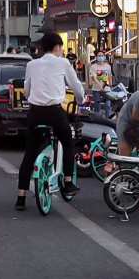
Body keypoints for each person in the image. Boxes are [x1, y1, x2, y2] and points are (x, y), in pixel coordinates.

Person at [16, 33, 84, 211]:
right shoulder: (63, 63)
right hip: (55, 112)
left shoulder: (32, 64)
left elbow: (27, 89)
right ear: (57, 47)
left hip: (35, 113)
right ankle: (68, 182)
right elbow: (76, 86)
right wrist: (81, 99)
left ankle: (21, 196)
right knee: (68, 142)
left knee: (30, 152)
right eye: (61, 47)